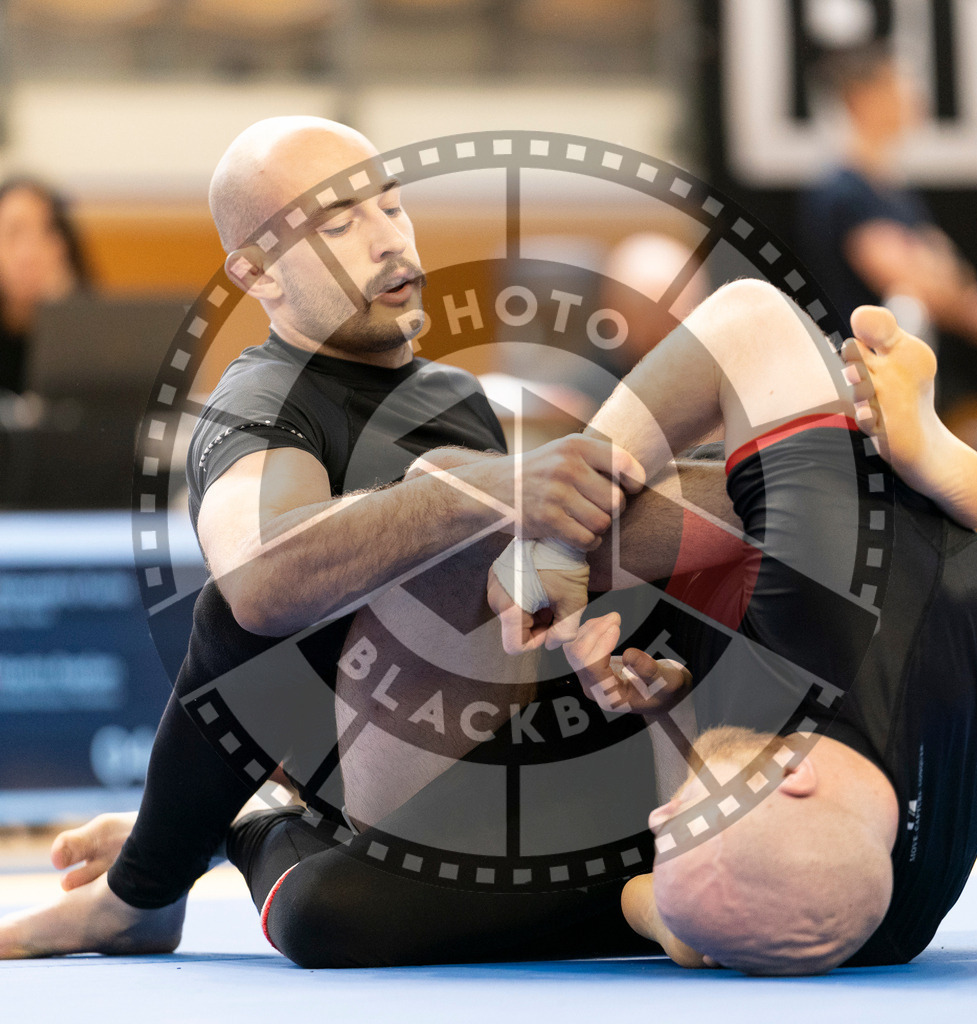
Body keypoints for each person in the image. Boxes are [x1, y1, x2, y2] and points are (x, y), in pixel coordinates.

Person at [0, 115, 645, 960]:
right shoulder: (258, 403)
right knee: (320, 916)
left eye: (392, 207)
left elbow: (509, 605)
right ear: (257, 271)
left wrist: (586, 641)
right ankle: (155, 879)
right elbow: (254, 587)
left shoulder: (456, 398)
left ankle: (208, 827)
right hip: (380, 794)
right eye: (338, 224)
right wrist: (470, 491)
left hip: (502, 771)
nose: (388, 241)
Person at [493, 291, 977, 974]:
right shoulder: (824, 603)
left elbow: (655, 898)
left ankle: (955, 483)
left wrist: (665, 710)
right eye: (685, 820)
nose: (658, 820)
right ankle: (940, 463)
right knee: (488, 535)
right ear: (794, 773)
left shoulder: (857, 925)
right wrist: (551, 545)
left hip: (945, 662)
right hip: (847, 562)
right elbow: (750, 317)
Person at [798, 41, 977, 405]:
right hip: (868, 394)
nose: (911, 97)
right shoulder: (843, 192)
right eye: (897, 86)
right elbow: (910, 282)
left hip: (911, 388)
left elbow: (950, 271)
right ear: (861, 98)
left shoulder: (894, 189)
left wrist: (963, 294)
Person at [0, 176, 91, 397]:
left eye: (45, 233)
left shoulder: (95, 332)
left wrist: (63, 312)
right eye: (13, 233)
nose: (28, 254)